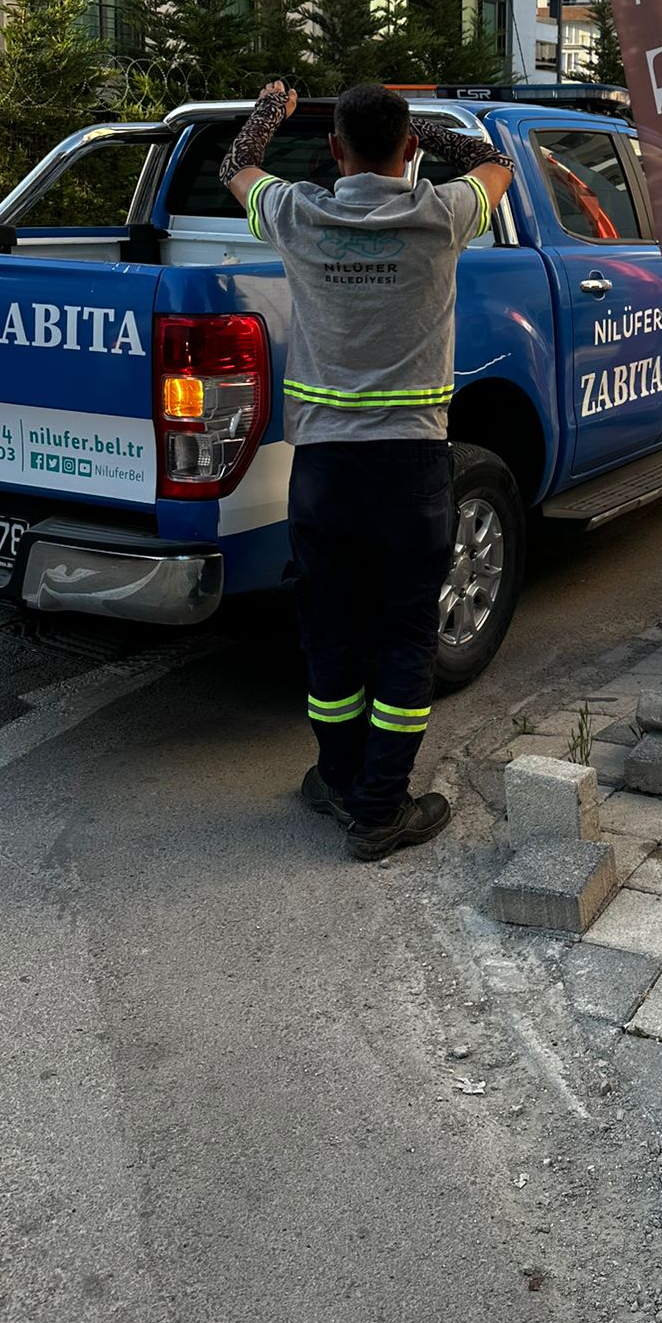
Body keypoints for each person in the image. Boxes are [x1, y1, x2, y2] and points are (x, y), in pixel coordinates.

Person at [219, 81, 515, 861]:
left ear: (333, 151)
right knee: (407, 640)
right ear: (409, 149)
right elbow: (498, 164)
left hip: (324, 470)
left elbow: (235, 167)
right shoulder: (443, 214)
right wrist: (426, 131)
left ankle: (337, 778)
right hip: (411, 469)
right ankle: (380, 807)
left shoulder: (297, 213)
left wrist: (269, 112)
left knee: (330, 635)